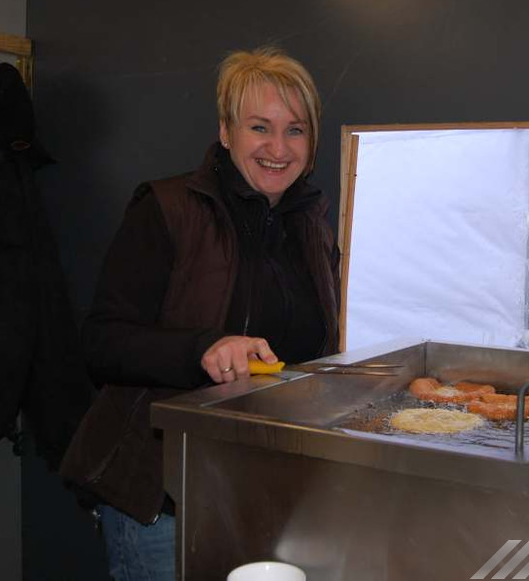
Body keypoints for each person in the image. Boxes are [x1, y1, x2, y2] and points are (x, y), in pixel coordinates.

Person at [60, 47, 340, 581]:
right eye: (259, 127)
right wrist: (203, 347)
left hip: (269, 495)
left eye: (295, 130)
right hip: (165, 500)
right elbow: (100, 341)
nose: (278, 148)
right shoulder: (167, 208)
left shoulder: (313, 228)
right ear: (226, 132)